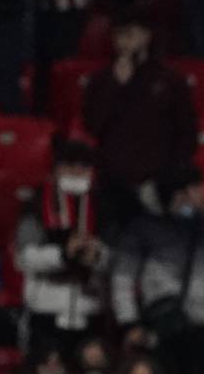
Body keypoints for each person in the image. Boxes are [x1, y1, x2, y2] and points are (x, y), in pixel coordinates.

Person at [107, 166, 204, 374]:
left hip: (202, 328)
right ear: (181, 193)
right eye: (198, 187)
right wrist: (129, 322)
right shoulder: (143, 228)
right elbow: (123, 277)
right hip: (162, 325)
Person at [79, 13, 197, 227]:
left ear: (146, 36)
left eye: (130, 35)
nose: (124, 42)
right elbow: (92, 125)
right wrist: (116, 86)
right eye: (119, 36)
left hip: (158, 180)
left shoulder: (169, 80)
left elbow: (186, 131)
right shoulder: (101, 80)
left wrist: (174, 178)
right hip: (113, 181)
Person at [17, 139, 110, 348]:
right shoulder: (37, 203)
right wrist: (63, 255)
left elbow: (116, 259)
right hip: (46, 308)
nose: (77, 172)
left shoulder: (103, 204)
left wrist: (97, 255)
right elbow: (25, 257)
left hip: (90, 309)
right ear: (57, 169)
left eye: (84, 167)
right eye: (70, 166)